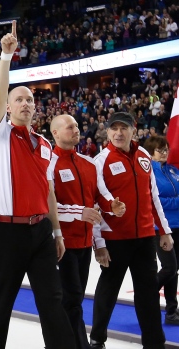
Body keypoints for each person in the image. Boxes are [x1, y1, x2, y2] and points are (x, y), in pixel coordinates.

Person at [0, 21, 76, 349]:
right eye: (18, 99)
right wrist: (6, 57)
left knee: (53, 303)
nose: (25, 104)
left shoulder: (45, 145)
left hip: (41, 234)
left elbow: (48, 190)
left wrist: (57, 232)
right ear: (8, 107)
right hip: (7, 233)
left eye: (30, 100)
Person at [90, 112, 174, 349]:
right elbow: (95, 204)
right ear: (107, 132)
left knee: (147, 294)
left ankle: (155, 342)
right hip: (115, 239)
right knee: (108, 291)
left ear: (133, 130)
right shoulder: (100, 161)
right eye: (113, 128)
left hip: (145, 238)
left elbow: (153, 197)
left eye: (123, 128)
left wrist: (164, 231)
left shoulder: (144, 156)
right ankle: (97, 339)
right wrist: (100, 244)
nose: (118, 133)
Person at [49, 114, 126, 349]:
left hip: (83, 244)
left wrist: (112, 206)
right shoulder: (48, 163)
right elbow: (47, 205)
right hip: (60, 244)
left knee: (75, 299)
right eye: (69, 127)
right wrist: (78, 212)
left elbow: (101, 197)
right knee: (71, 301)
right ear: (55, 134)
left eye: (76, 126)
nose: (76, 129)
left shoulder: (89, 163)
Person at [143, 135, 179, 325]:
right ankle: (145, 295)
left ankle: (172, 311)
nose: (164, 153)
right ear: (151, 153)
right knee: (169, 267)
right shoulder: (149, 172)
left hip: (178, 224)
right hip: (160, 227)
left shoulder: (173, 170)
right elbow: (155, 201)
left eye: (166, 149)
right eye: (160, 150)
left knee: (174, 270)